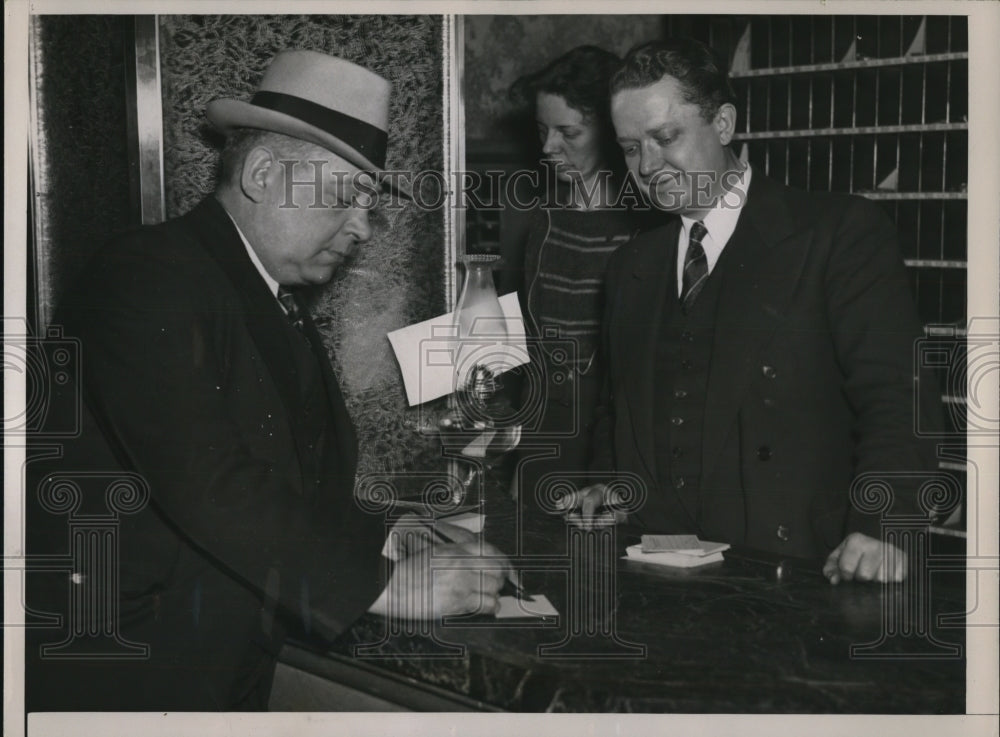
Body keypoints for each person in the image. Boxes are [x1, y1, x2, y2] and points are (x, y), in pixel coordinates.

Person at [26, 50, 511, 712]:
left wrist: (389, 529)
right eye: (344, 198)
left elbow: (284, 476)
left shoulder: (264, 293)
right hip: (128, 677)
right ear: (260, 173)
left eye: (369, 207)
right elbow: (210, 478)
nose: (361, 228)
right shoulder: (147, 275)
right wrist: (383, 586)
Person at [559, 38, 942, 584]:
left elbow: (900, 401)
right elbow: (613, 412)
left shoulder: (836, 234)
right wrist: (607, 483)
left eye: (665, 137)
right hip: (657, 573)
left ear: (723, 124)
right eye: (628, 147)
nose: (646, 165)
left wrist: (884, 526)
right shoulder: (630, 266)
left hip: (799, 575)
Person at [497, 46, 651, 507]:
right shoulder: (542, 216)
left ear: (612, 132)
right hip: (540, 430)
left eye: (568, 132)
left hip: (608, 446)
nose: (548, 147)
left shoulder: (647, 225)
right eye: (542, 131)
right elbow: (518, 336)